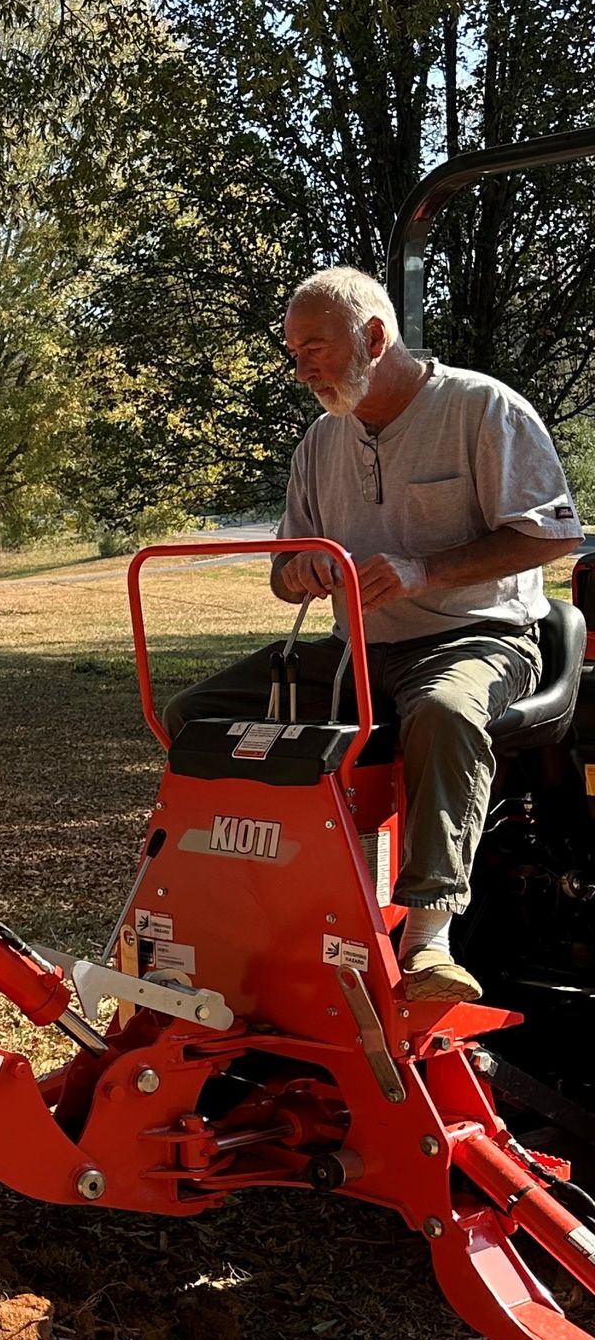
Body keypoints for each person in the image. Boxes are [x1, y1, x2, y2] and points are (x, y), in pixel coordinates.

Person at [166, 266, 583, 1005]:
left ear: (375, 335)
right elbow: (285, 567)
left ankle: (428, 941)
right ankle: (260, 906)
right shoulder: (322, 442)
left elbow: (550, 536)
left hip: (473, 636)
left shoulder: (482, 408)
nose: (302, 368)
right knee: (193, 715)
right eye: (294, 352)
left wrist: (425, 570)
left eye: (315, 347)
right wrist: (297, 578)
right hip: (358, 649)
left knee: (447, 711)